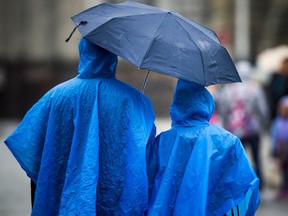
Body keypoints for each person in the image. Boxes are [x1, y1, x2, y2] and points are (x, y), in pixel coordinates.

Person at [4, 38, 156, 215]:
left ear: (83, 52)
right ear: (113, 54)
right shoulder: (136, 101)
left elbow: (35, 159)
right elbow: (146, 160)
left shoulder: (55, 97)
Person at [146, 80, 260, 216]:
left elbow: (145, 185)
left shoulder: (161, 141)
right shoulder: (228, 141)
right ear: (206, 102)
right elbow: (245, 185)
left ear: (176, 103)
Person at [217, 61, 269, 189]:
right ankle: (259, 183)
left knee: (237, 158)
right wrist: (264, 125)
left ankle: (239, 183)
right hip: (253, 129)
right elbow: (263, 109)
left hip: (234, 130)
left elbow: (223, 110)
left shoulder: (228, 89)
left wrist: (225, 125)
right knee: (256, 157)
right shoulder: (255, 88)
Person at [271, 96, 288, 199]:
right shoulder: (278, 122)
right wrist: (274, 149)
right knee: (283, 170)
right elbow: (274, 135)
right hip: (281, 150)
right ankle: (283, 189)